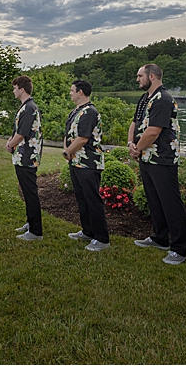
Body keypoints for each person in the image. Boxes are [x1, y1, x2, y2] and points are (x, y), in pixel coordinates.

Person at [128, 63, 186, 265]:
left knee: (170, 202)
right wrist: (131, 143)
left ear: (151, 76)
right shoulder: (146, 98)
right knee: (154, 200)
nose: (137, 79)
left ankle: (179, 248)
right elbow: (135, 123)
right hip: (147, 157)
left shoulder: (163, 99)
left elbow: (154, 131)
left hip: (162, 158)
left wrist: (137, 148)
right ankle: (160, 237)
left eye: (140, 76)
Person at [62, 80, 109, 251]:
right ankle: (87, 231)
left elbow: (82, 138)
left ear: (80, 92)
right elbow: (68, 133)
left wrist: (67, 152)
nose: (70, 93)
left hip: (88, 162)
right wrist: (66, 150)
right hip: (76, 162)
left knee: (92, 199)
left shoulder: (89, 112)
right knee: (81, 198)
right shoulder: (76, 111)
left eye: (72, 90)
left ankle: (102, 238)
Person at [7, 75, 43, 240]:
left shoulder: (29, 108)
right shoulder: (25, 107)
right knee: (27, 191)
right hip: (22, 155)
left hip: (27, 157)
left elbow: (21, 134)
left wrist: (10, 144)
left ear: (22, 89)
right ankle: (30, 222)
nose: (13, 91)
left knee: (30, 192)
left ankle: (35, 231)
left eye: (15, 88)